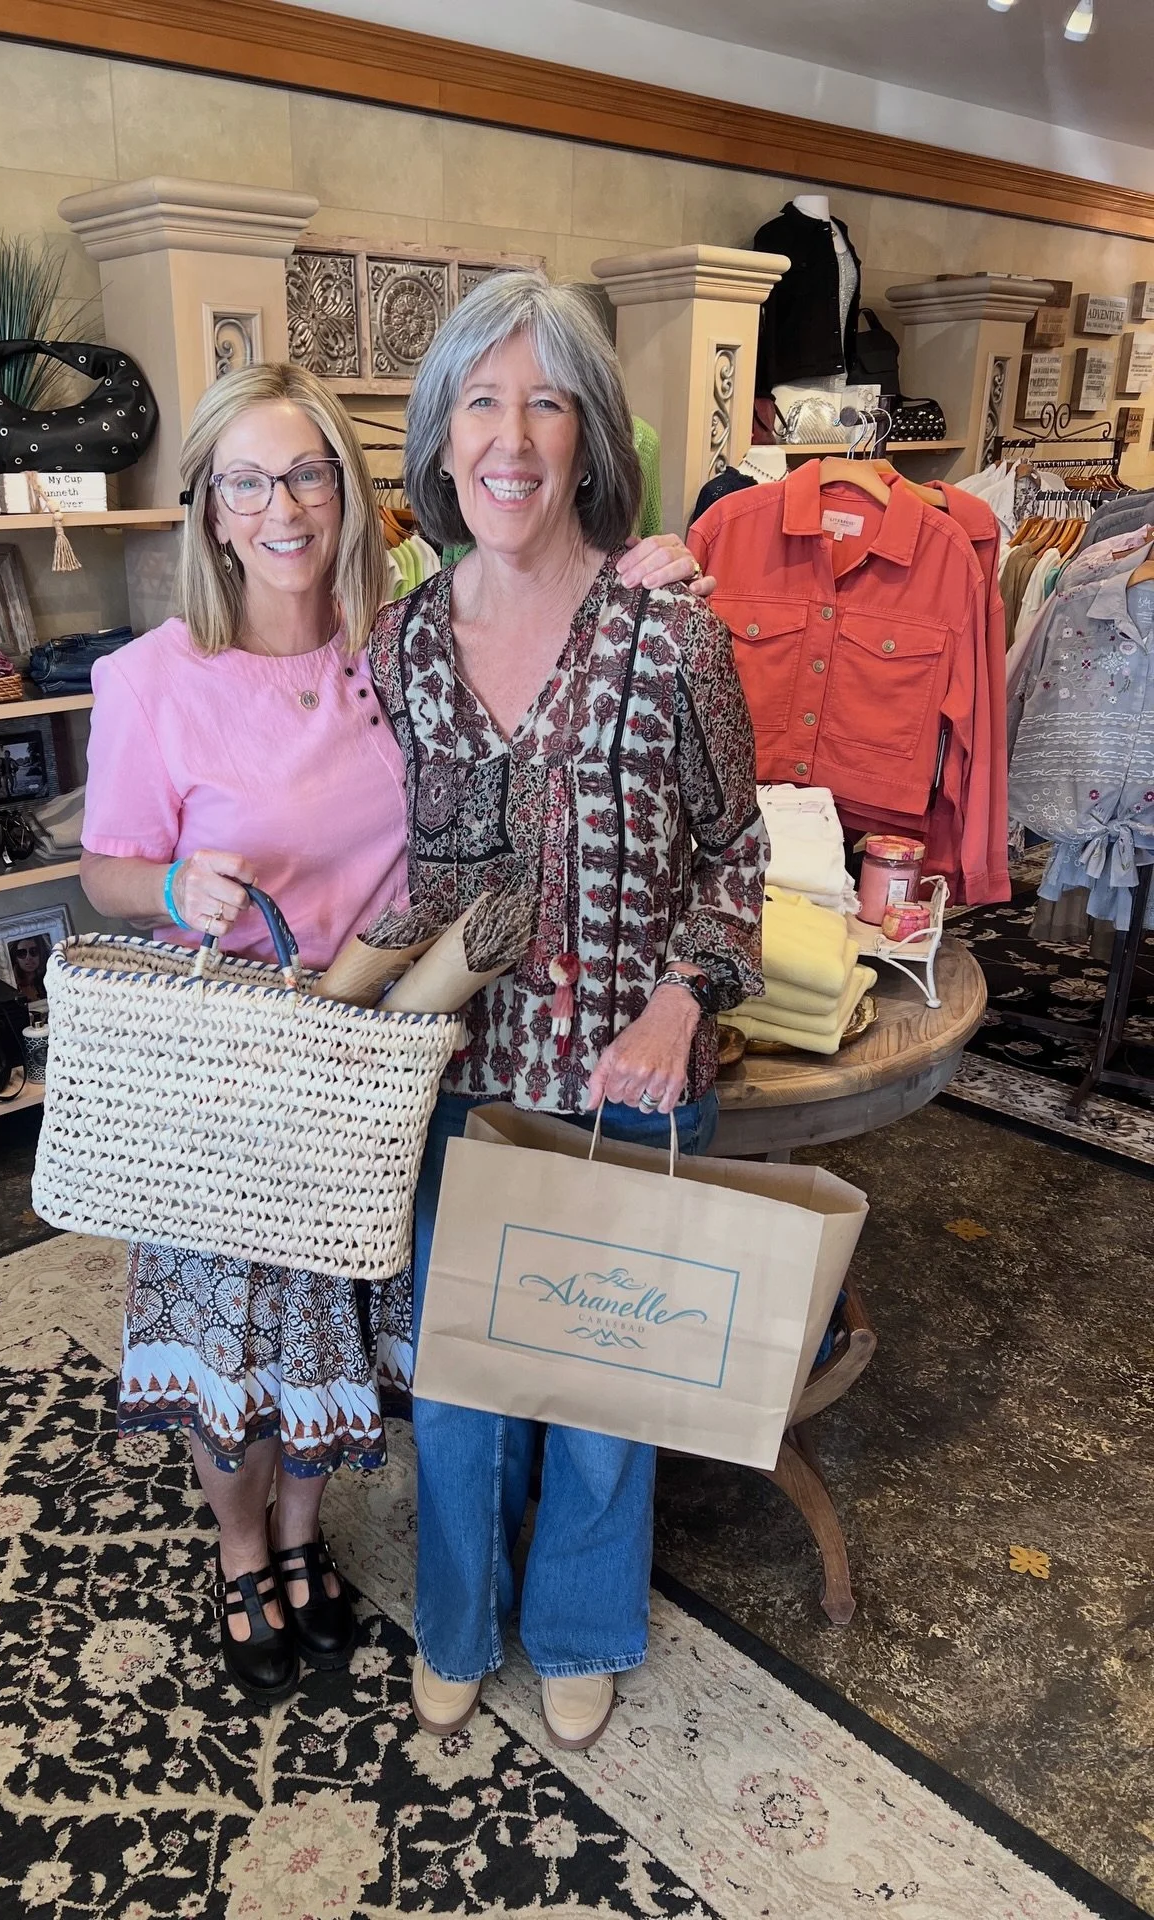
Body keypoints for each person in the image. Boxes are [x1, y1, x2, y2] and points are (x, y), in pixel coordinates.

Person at [79, 360, 713, 1708]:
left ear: (352, 493)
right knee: (229, 1338)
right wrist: (174, 887)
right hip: (236, 1065)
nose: (282, 508)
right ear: (208, 509)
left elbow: (530, 627)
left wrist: (638, 570)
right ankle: (241, 1548)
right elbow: (105, 870)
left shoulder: (402, 646)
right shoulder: (151, 678)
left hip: (381, 1062)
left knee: (332, 1331)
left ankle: (305, 1536)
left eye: (308, 474)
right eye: (247, 483)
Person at [368, 270, 767, 1751]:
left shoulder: (670, 632)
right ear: (441, 434)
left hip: (622, 1088)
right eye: (483, 402)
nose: (513, 437)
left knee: (603, 1388)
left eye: (547, 403)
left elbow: (739, 852)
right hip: (461, 1088)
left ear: (590, 436)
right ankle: (459, 1621)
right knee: (461, 1389)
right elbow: (395, 866)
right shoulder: (403, 647)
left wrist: (682, 998)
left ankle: (584, 1624)